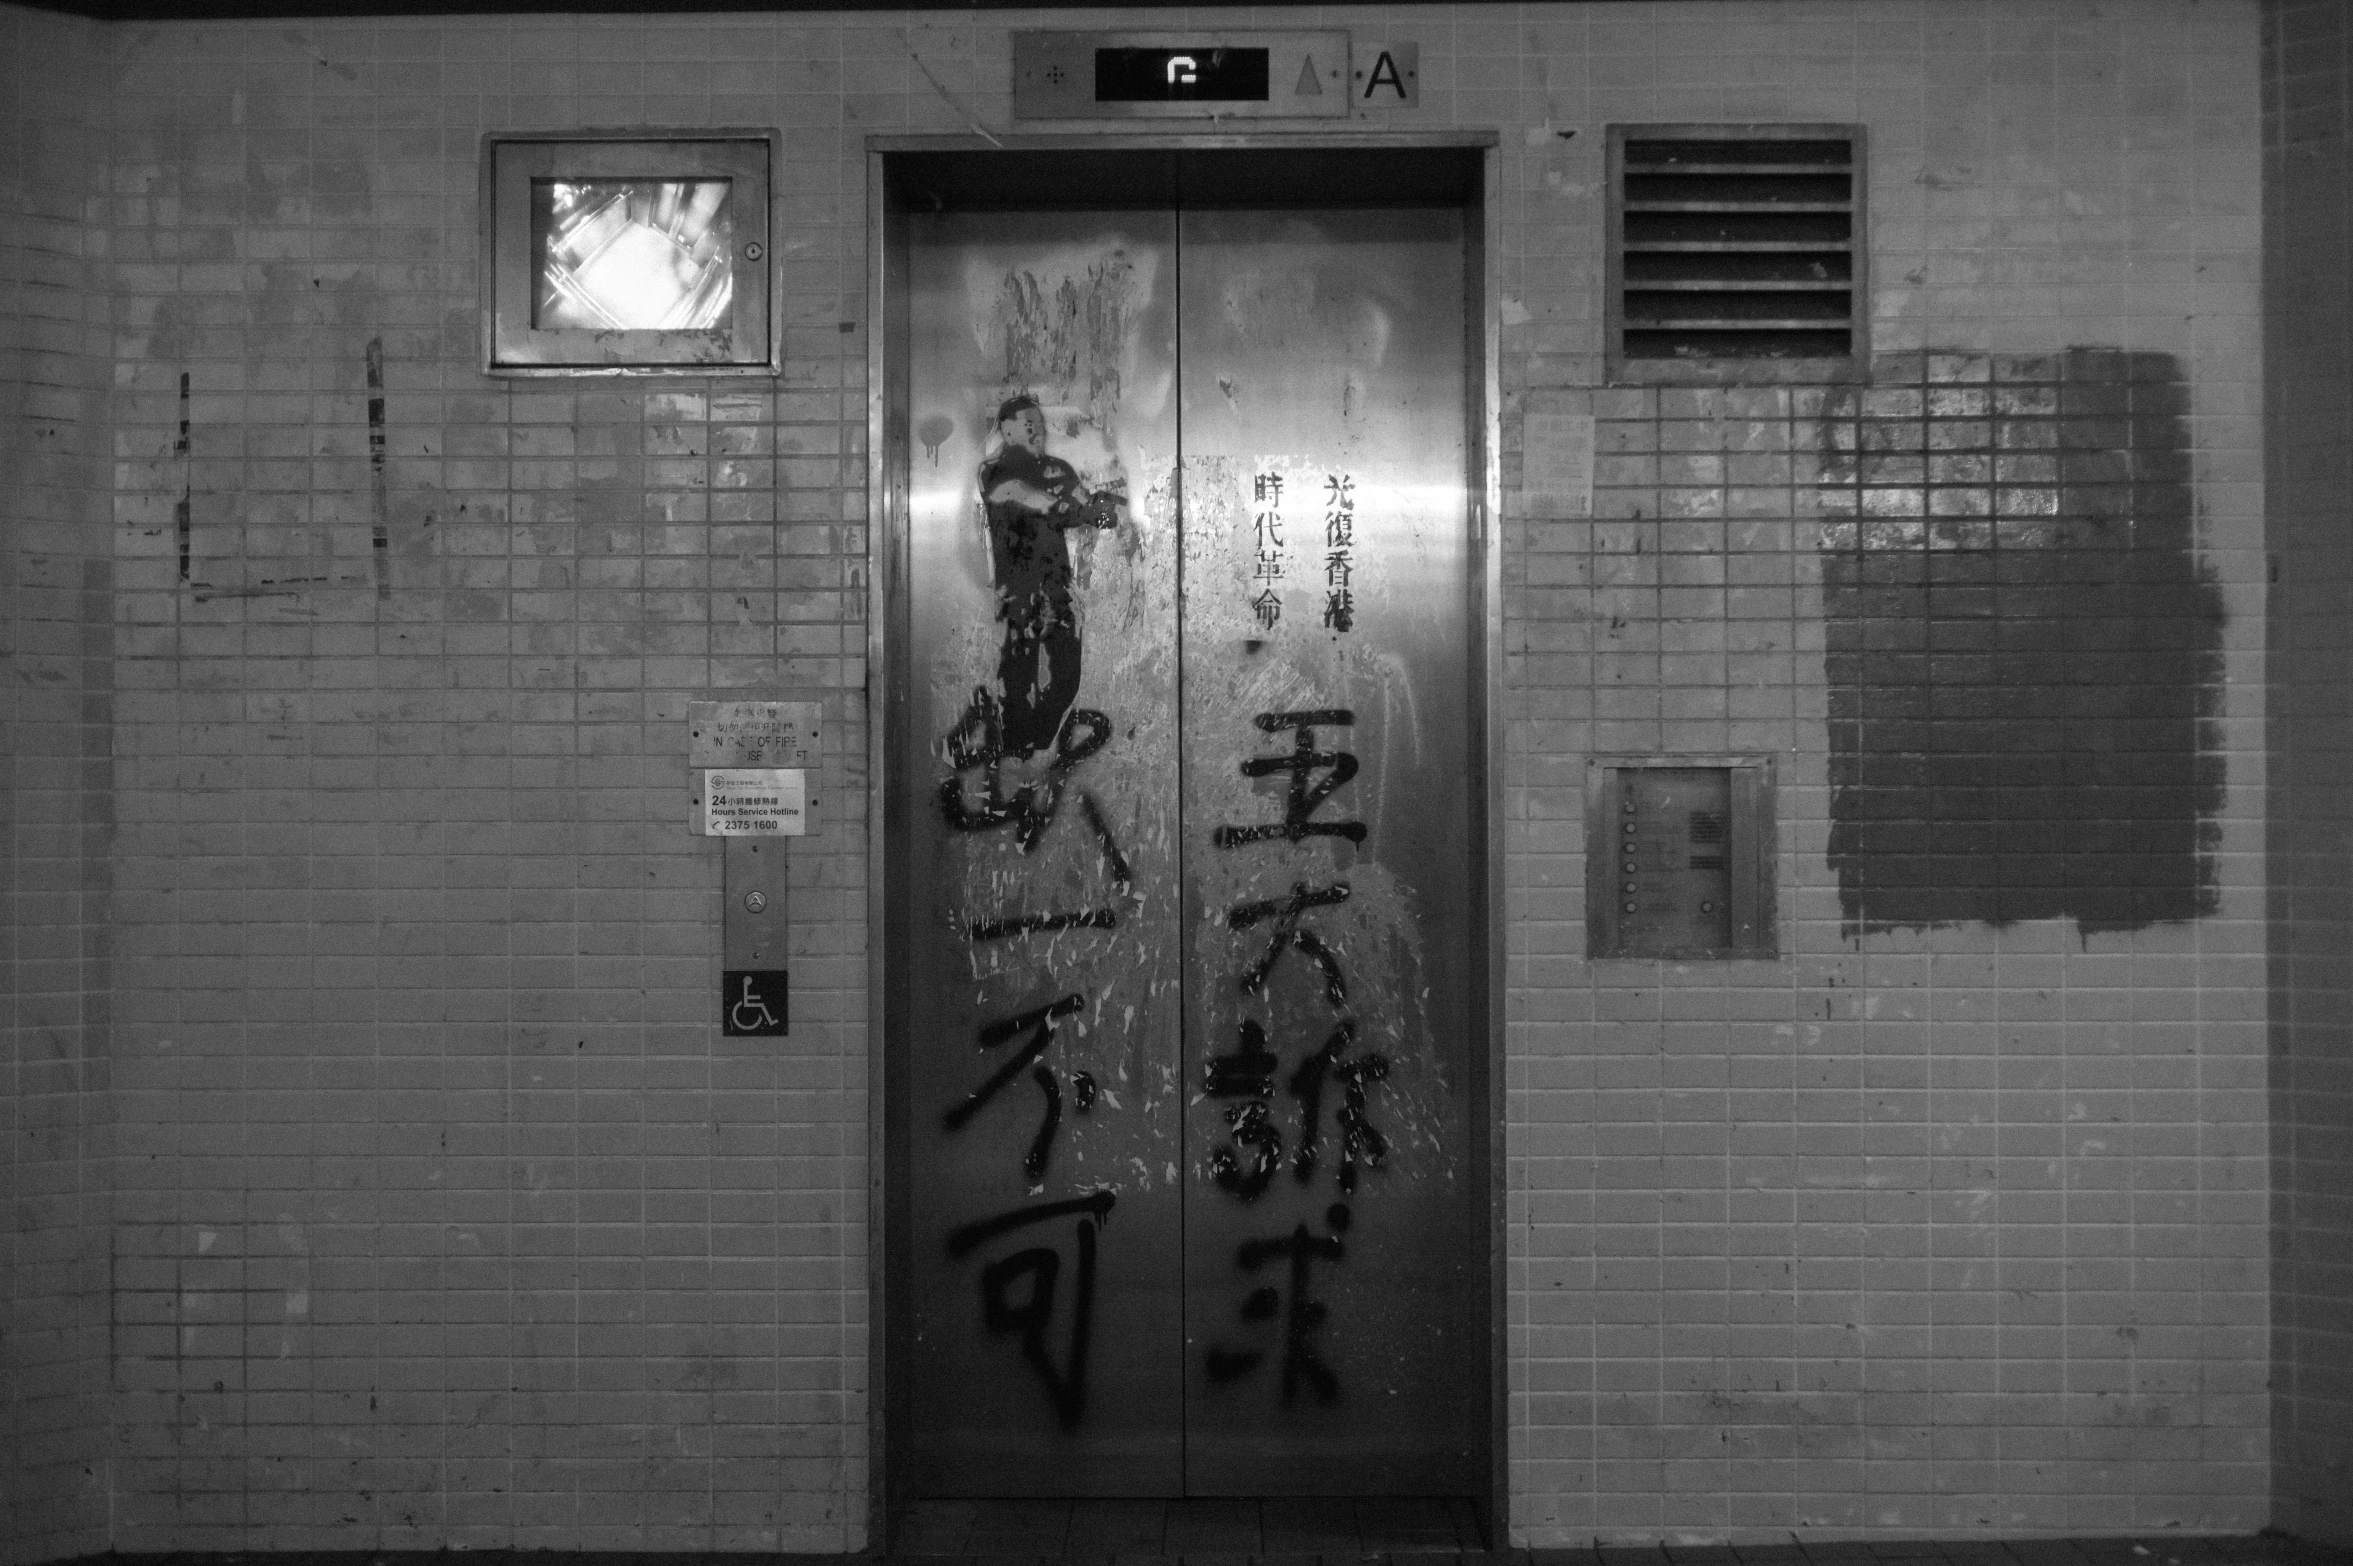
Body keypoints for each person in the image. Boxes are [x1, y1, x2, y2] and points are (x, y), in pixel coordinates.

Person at [977, 395, 1123, 758]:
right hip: (1018, 593)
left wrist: (1101, 512)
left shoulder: (1059, 468)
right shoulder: (994, 471)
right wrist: (1067, 508)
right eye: (1028, 424)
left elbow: (1086, 508)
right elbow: (1022, 496)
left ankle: (1037, 741)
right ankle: (1016, 749)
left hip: (1057, 588)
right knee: (1018, 681)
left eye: (1039, 425)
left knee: (1067, 676)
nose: (1036, 431)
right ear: (1006, 429)